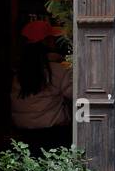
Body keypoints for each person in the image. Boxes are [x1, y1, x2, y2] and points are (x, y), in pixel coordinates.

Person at [9, 21, 72, 152]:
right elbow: (76, 94)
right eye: (53, 39)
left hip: (24, 134)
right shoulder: (56, 70)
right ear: (47, 42)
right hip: (53, 135)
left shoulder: (18, 73)